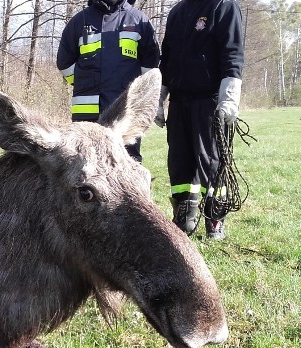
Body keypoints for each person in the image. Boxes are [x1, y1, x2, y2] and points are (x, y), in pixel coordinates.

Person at [155, 0, 245, 240]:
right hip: (179, 101)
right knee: (179, 161)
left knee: (213, 163)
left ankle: (215, 217)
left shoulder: (224, 7)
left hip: (210, 101)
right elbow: (168, 59)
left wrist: (229, 99)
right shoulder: (177, 12)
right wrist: (159, 99)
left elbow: (232, 54)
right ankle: (185, 215)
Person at [56, 0, 160, 162]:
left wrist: (138, 98)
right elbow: (64, 63)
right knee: (85, 164)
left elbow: (150, 68)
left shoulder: (139, 21)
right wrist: (83, 83)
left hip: (126, 112)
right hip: (87, 115)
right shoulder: (79, 21)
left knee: (127, 161)